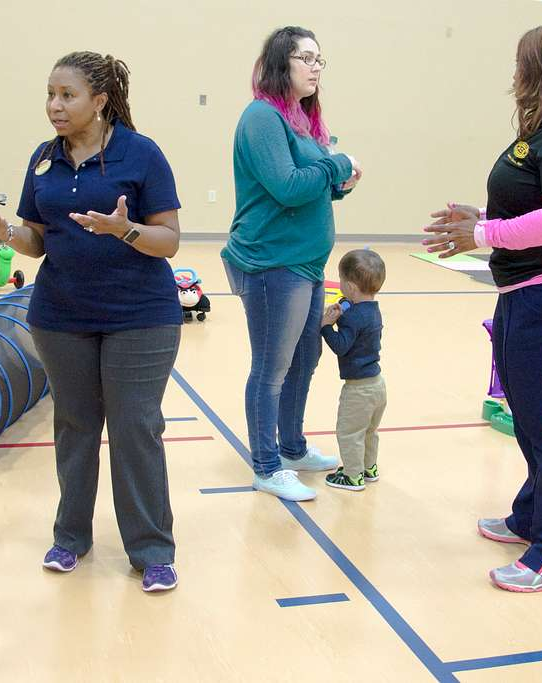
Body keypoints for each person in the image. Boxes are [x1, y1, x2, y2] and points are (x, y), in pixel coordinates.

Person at [0, 51, 183, 592]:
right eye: (50, 94)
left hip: (140, 318)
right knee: (75, 427)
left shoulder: (142, 155)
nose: (54, 105)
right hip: (61, 317)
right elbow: (36, 241)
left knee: (136, 428)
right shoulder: (44, 159)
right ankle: (70, 538)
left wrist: (123, 230)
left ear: (100, 100)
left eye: (67, 95)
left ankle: (152, 549)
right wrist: (3, 231)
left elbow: (169, 241)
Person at [423, 24, 542, 592]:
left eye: (523, 63)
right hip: (529, 292)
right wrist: (482, 213)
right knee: (533, 417)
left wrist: (484, 233)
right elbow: (531, 201)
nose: (515, 74)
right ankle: (533, 517)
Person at [221, 26, 362, 502]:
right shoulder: (262, 117)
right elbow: (288, 186)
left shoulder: (301, 118)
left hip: (303, 264)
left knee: (305, 358)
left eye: (320, 59)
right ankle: (265, 465)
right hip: (270, 265)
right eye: (306, 58)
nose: (316, 66)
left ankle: (292, 448)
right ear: (282, 64)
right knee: (271, 368)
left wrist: (337, 182)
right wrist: (337, 167)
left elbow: (309, 184)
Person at [320, 249, 386, 492]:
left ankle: (352, 476)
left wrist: (327, 326)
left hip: (358, 389)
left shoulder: (352, 318)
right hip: (377, 384)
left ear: (349, 286)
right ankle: (368, 468)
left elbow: (341, 346)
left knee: (349, 433)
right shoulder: (373, 310)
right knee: (369, 431)